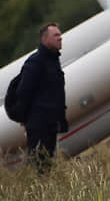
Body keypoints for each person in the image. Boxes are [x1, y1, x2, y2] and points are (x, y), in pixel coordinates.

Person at [14, 23, 67, 172]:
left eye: (60, 34)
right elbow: (23, 92)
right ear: (45, 39)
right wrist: (25, 119)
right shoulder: (35, 62)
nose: (60, 37)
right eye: (56, 35)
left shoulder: (53, 61)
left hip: (50, 125)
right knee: (39, 166)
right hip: (38, 126)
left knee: (47, 165)